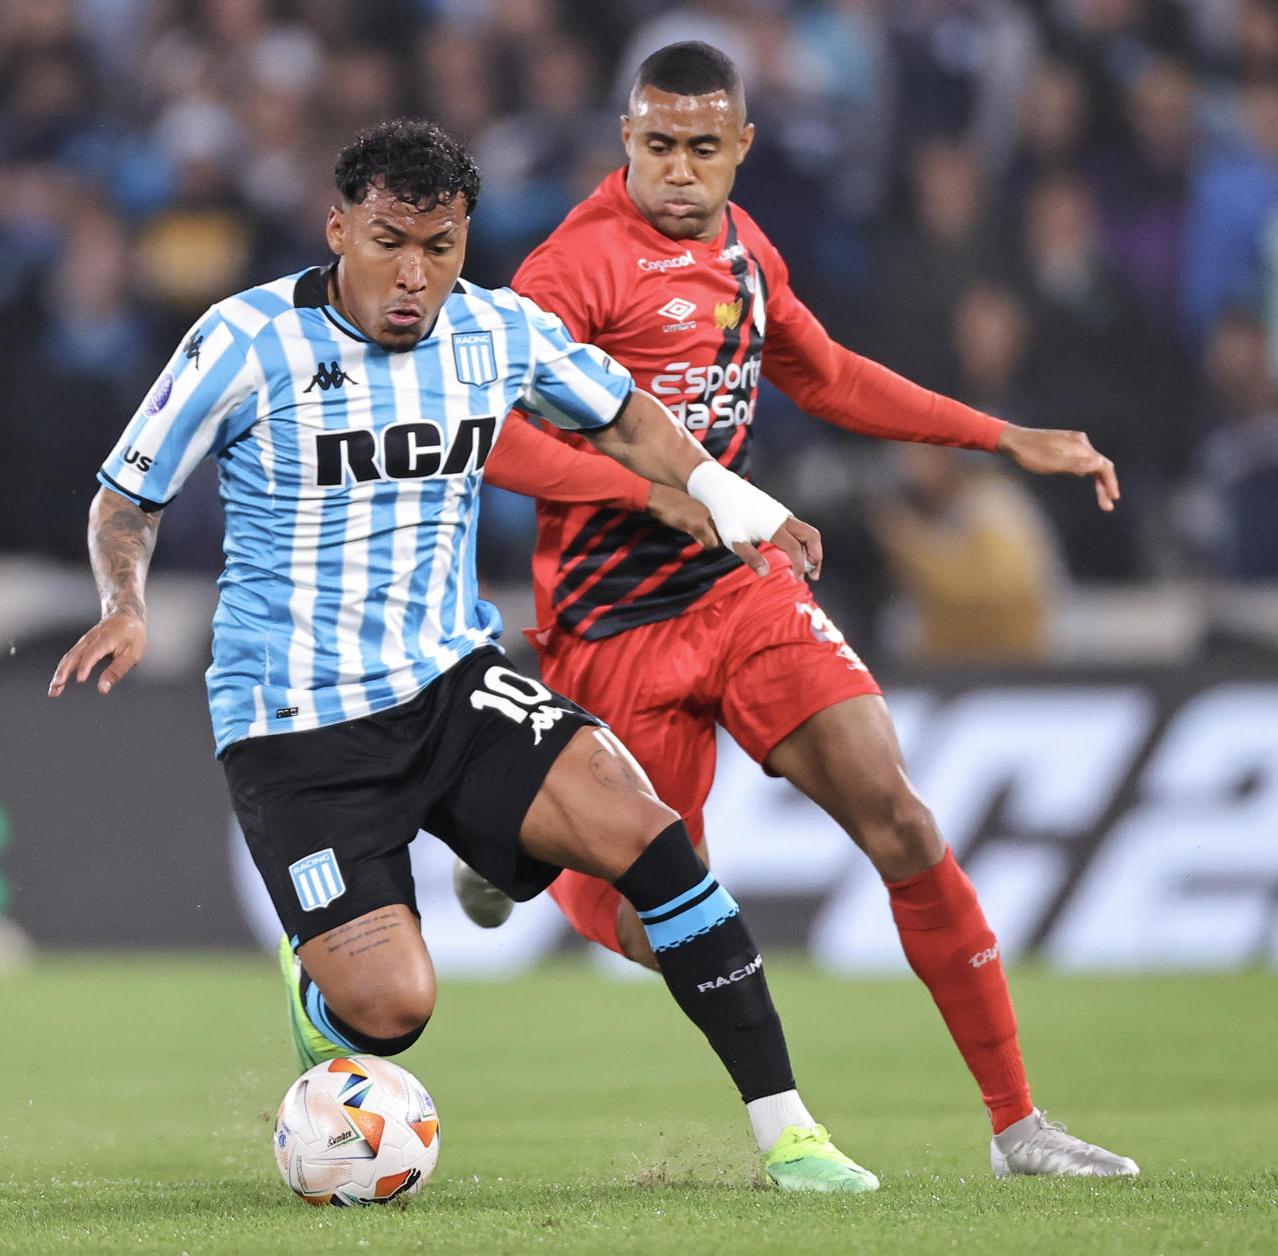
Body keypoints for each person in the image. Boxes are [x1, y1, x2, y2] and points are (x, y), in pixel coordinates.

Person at [46, 120, 877, 1193]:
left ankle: (790, 1131)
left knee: (652, 833)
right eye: (390, 241)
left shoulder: (497, 331)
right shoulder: (244, 339)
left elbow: (627, 418)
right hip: (298, 723)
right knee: (391, 1010)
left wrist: (730, 498)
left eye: (440, 248)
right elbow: (129, 494)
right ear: (338, 227)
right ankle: (324, 993)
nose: (414, 275)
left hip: (449, 679)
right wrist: (125, 602)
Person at [473, 42, 1138, 1178]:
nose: (678, 169)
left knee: (902, 816)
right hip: (613, 621)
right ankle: (517, 840)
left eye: (702, 147)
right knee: (652, 916)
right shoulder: (570, 270)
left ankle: (1019, 1126)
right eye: (657, 145)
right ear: (625, 142)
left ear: (740, 148)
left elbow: (826, 373)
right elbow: (499, 435)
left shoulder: (744, 250)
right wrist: (656, 493)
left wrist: (999, 435)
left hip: (740, 589)